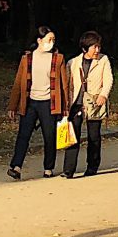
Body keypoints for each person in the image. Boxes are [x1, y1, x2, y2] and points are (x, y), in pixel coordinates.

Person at [7, 27, 72, 181]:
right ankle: (16, 167)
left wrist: (65, 107)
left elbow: (64, 85)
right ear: (39, 40)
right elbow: (18, 83)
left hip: (49, 103)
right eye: (49, 39)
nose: (52, 42)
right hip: (30, 102)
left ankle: (48, 167)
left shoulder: (58, 59)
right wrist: (12, 106)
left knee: (49, 136)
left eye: (53, 40)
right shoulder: (27, 59)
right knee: (23, 135)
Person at [64, 31, 114, 178]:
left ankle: (92, 167)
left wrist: (103, 95)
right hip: (76, 103)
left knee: (94, 136)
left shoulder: (103, 60)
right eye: (94, 47)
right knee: (73, 136)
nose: (97, 51)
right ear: (85, 49)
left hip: (94, 102)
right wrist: (66, 104)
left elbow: (108, 78)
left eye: (98, 47)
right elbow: (67, 84)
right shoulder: (72, 63)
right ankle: (69, 169)